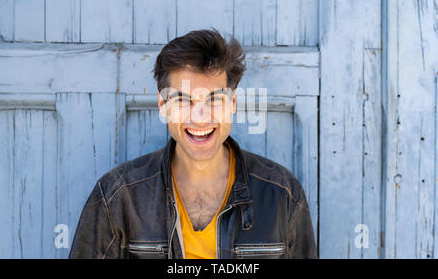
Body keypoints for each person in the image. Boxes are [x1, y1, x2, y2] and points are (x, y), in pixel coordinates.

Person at [69, 29, 317, 259]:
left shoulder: (282, 193)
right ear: (163, 105)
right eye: (183, 100)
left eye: (214, 99)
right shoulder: (118, 195)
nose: (199, 117)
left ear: (232, 104)